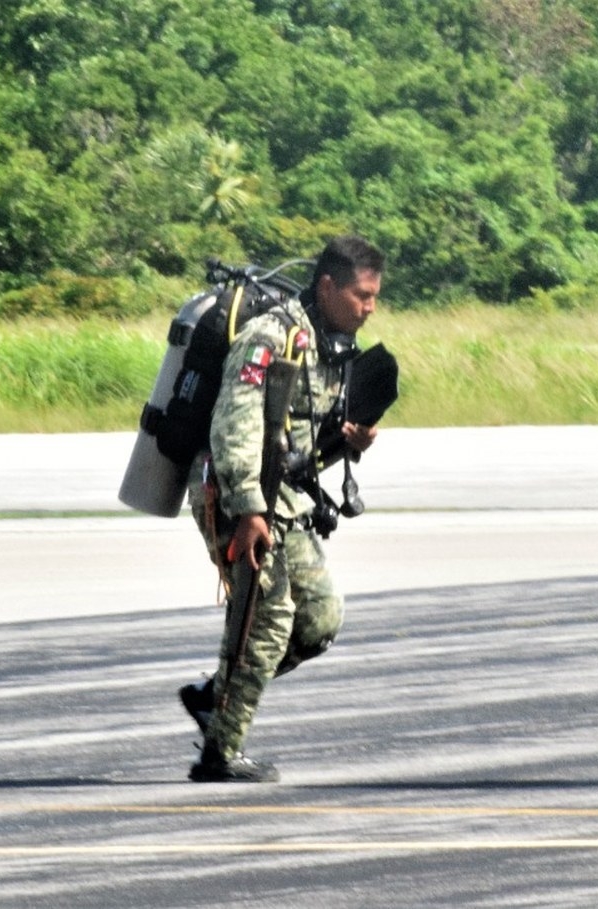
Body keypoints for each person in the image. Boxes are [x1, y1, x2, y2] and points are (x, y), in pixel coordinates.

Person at [178, 234, 385, 783]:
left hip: (283, 499)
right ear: (327, 286)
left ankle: (217, 699)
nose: (369, 308)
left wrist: (348, 442)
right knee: (265, 620)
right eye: (362, 295)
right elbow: (234, 426)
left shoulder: (331, 344)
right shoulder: (271, 337)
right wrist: (247, 510)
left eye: (374, 297)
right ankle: (220, 753)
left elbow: (297, 436)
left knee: (318, 620)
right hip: (236, 494)